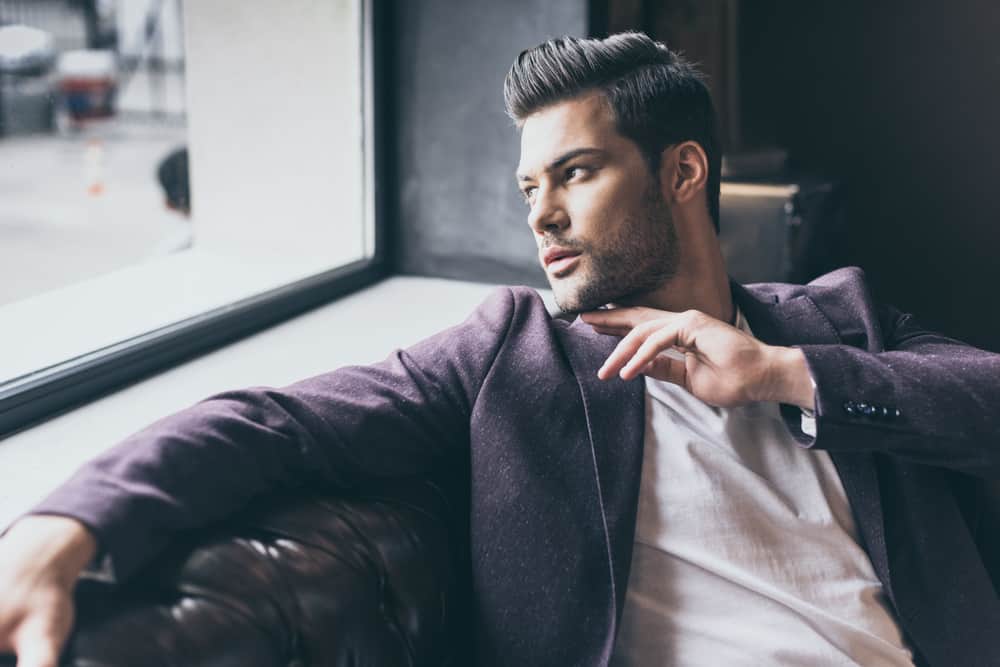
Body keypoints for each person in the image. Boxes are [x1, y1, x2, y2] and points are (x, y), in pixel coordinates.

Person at [1, 32, 998, 667]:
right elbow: (272, 422)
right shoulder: (511, 353)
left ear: (683, 171)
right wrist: (61, 527)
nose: (542, 216)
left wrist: (784, 374)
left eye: (576, 173)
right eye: (530, 188)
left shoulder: (834, 320)